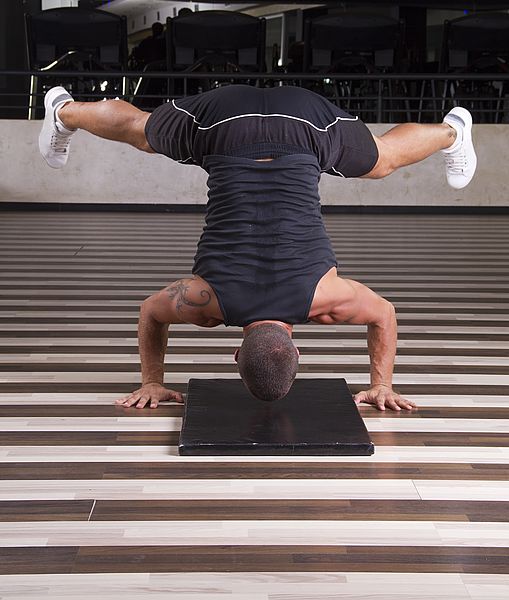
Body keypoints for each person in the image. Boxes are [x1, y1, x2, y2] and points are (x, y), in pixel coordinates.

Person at [38, 84, 477, 411]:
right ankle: (64, 110)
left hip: (303, 124)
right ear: (234, 352)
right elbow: (151, 311)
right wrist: (152, 381)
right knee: (141, 131)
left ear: (299, 350)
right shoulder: (205, 302)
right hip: (223, 125)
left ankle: (452, 131)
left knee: (382, 160)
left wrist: (382, 384)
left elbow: (383, 314)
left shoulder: (325, 300)